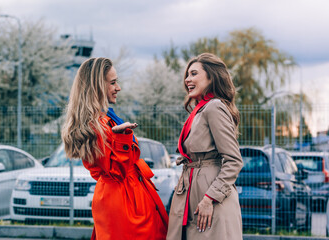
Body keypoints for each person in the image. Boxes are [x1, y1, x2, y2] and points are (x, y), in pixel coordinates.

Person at [61, 57, 168, 240]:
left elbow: (102, 172)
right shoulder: (98, 124)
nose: (118, 87)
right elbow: (115, 173)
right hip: (126, 204)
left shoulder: (102, 120)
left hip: (126, 199)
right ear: (97, 86)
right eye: (113, 82)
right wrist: (121, 137)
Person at [166, 53, 243, 240]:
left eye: (193, 74)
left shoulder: (214, 107)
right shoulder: (201, 109)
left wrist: (210, 198)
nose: (187, 79)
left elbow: (234, 161)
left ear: (211, 77)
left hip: (210, 197)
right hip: (193, 191)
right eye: (187, 75)